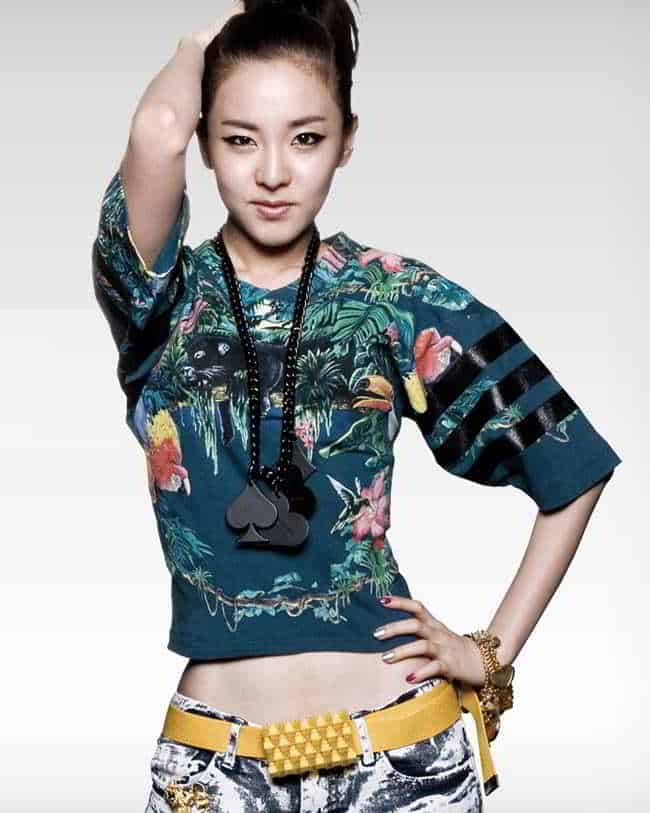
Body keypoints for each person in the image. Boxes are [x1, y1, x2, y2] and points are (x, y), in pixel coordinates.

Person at [91, 1, 622, 811]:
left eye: (306, 138)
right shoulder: (161, 305)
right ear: (205, 142)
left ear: (347, 140)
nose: (274, 172)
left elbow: (571, 463)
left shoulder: (390, 295)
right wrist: (210, 37)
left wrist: (490, 652)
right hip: (217, 771)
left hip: (404, 758)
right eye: (240, 139)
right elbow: (157, 126)